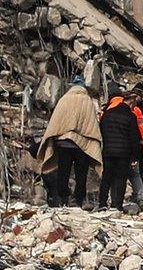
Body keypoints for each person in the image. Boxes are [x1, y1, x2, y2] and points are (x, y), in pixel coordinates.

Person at [38, 79, 101, 207]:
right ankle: (78, 200)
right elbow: (91, 124)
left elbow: (56, 120)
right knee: (81, 174)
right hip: (81, 145)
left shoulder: (64, 99)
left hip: (63, 143)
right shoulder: (87, 101)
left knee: (63, 172)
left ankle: (63, 199)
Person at [97, 86, 143, 210]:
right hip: (123, 152)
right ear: (131, 101)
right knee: (120, 178)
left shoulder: (107, 114)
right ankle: (117, 204)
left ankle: (102, 203)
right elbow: (134, 138)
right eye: (134, 103)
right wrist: (135, 157)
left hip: (108, 151)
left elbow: (102, 131)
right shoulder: (130, 116)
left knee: (106, 177)